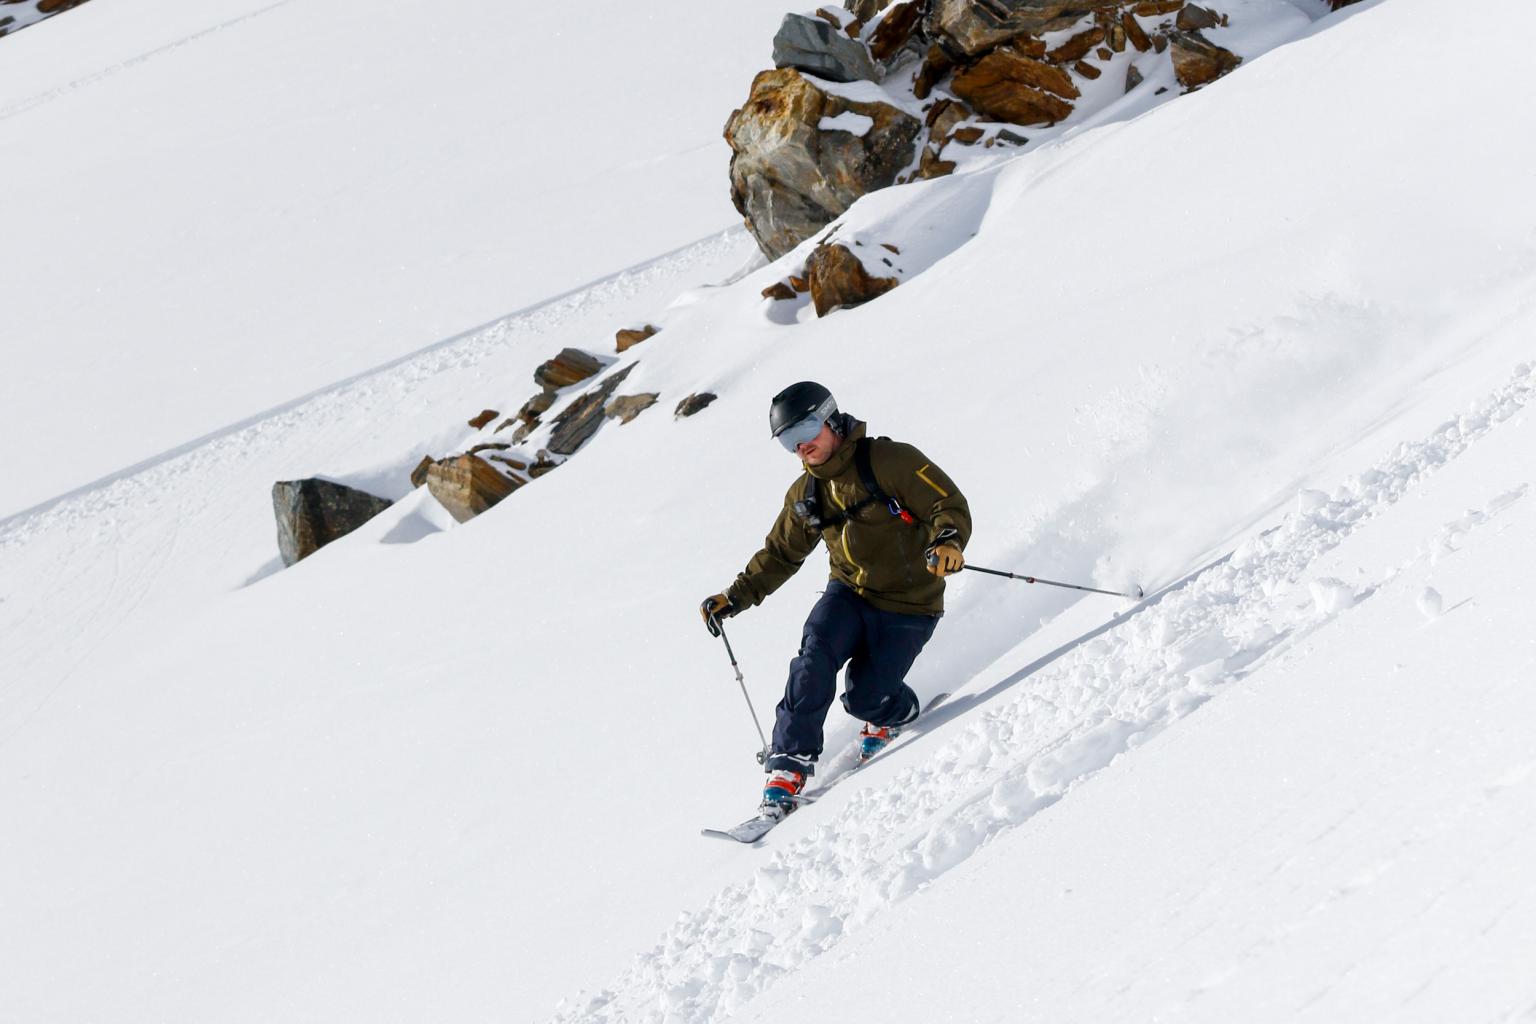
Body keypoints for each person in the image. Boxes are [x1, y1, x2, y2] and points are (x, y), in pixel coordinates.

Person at [700, 382, 972, 818]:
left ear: (830, 419)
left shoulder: (888, 461)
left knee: (866, 697)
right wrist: (735, 596)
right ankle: (787, 766)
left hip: (909, 601)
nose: (801, 446)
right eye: (788, 441)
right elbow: (780, 554)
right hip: (848, 593)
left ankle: (891, 712)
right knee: (814, 658)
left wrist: (948, 541)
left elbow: (947, 503)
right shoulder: (806, 494)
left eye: (805, 430)